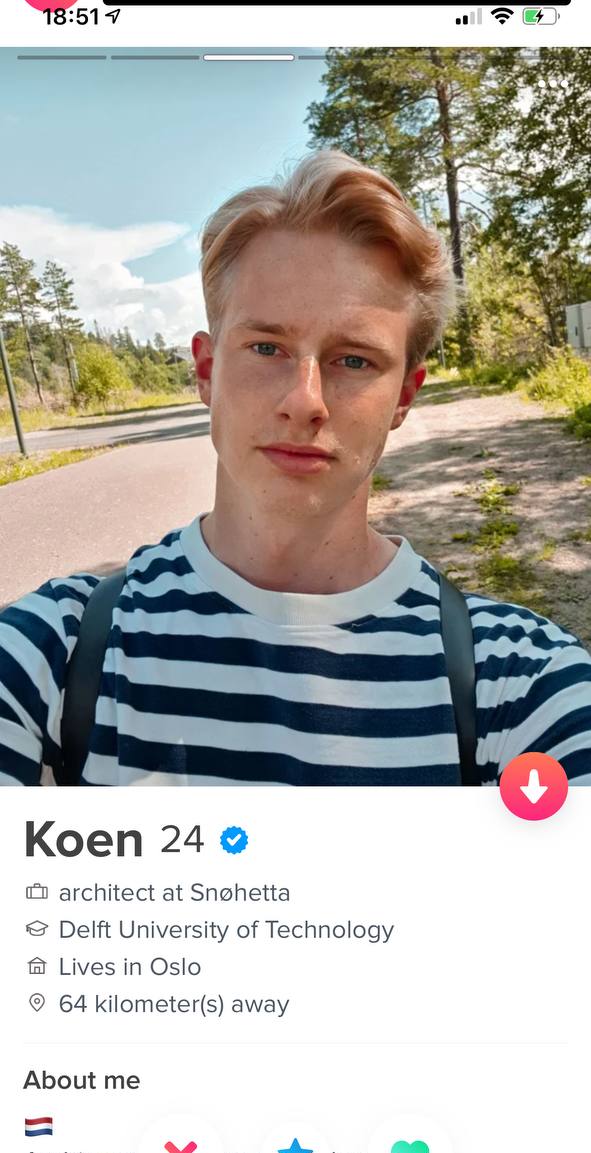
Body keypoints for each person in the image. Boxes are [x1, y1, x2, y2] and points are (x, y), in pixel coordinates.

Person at [1, 150, 590, 786]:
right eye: (266, 347)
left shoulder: (518, 680)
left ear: (403, 397)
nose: (304, 401)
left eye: (354, 360)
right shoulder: (57, 650)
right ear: (207, 370)